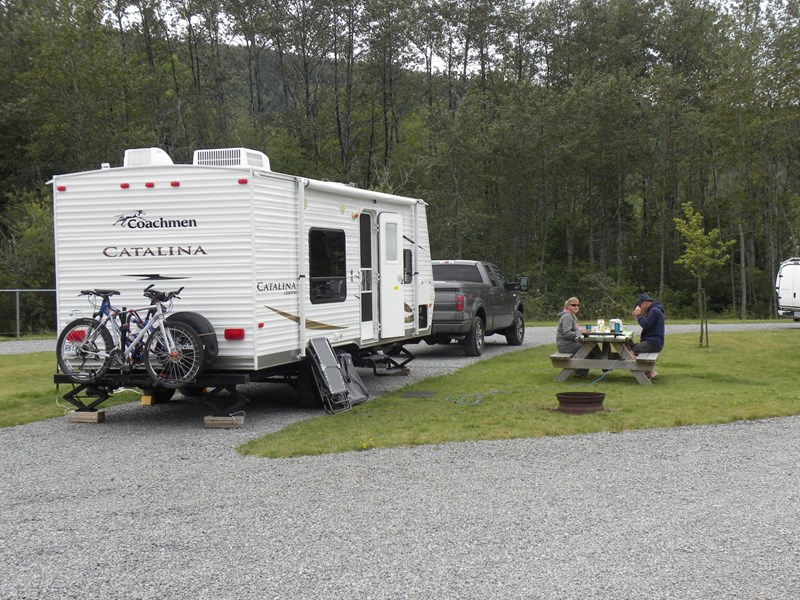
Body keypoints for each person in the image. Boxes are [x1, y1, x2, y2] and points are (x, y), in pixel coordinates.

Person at [630, 293, 665, 379]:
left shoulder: (654, 310)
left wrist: (638, 315)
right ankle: (648, 371)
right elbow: (648, 323)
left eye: (639, 305)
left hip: (653, 343)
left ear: (644, 303)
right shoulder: (653, 310)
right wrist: (638, 317)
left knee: (629, 350)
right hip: (654, 342)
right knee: (628, 345)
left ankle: (646, 371)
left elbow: (645, 325)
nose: (639, 308)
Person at [556, 297, 593, 378]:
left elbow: (575, 333)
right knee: (588, 348)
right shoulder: (567, 317)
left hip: (571, 343)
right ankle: (580, 374)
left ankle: (581, 372)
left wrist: (582, 333)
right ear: (568, 306)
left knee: (590, 346)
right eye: (573, 305)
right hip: (565, 345)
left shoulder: (572, 316)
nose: (576, 307)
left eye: (577, 305)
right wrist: (581, 332)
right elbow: (567, 334)